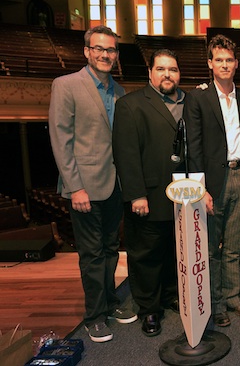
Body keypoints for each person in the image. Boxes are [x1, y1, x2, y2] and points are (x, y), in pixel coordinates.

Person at [48, 25, 137, 343]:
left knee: (111, 249)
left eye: (111, 50)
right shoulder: (66, 85)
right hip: (84, 186)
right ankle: (94, 316)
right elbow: (61, 140)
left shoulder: (119, 91)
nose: (105, 54)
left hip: (114, 185)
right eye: (99, 48)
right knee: (92, 255)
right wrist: (75, 187)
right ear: (86, 51)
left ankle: (111, 303)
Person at [183, 34, 240, 328]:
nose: (225, 64)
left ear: (237, 63)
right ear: (210, 63)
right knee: (212, 247)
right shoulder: (198, 98)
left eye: (229, 60)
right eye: (219, 60)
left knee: (232, 244)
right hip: (214, 181)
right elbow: (194, 146)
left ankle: (233, 297)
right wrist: (201, 188)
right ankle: (215, 304)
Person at [112, 49, 185, 337]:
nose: (167, 74)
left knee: (171, 251)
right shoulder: (131, 105)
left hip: (181, 196)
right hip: (149, 196)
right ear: (150, 73)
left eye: (173, 69)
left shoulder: (187, 101)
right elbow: (126, 155)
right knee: (145, 256)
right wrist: (136, 195)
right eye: (161, 69)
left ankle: (169, 296)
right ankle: (149, 309)